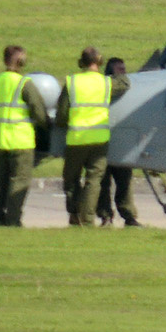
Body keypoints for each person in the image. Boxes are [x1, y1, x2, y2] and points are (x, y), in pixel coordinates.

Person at [57, 46, 129, 227]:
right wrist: (120, 73)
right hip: (99, 140)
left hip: (76, 139)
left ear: (81, 62)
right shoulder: (106, 83)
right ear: (100, 61)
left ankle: (74, 214)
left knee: (71, 180)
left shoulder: (71, 82)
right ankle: (87, 220)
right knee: (94, 181)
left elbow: (62, 116)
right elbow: (125, 84)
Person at [0, 45, 50, 227]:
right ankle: (13, 220)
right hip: (21, 141)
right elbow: (38, 111)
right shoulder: (24, 83)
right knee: (19, 182)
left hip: (0, 139)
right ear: (20, 61)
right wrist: (47, 126)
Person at [96, 57, 141, 227]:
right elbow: (123, 83)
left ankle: (128, 215)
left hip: (120, 139)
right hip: (104, 139)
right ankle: (106, 216)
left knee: (124, 182)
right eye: (119, 69)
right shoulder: (109, 84)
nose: (124, 72)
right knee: (103, 182)